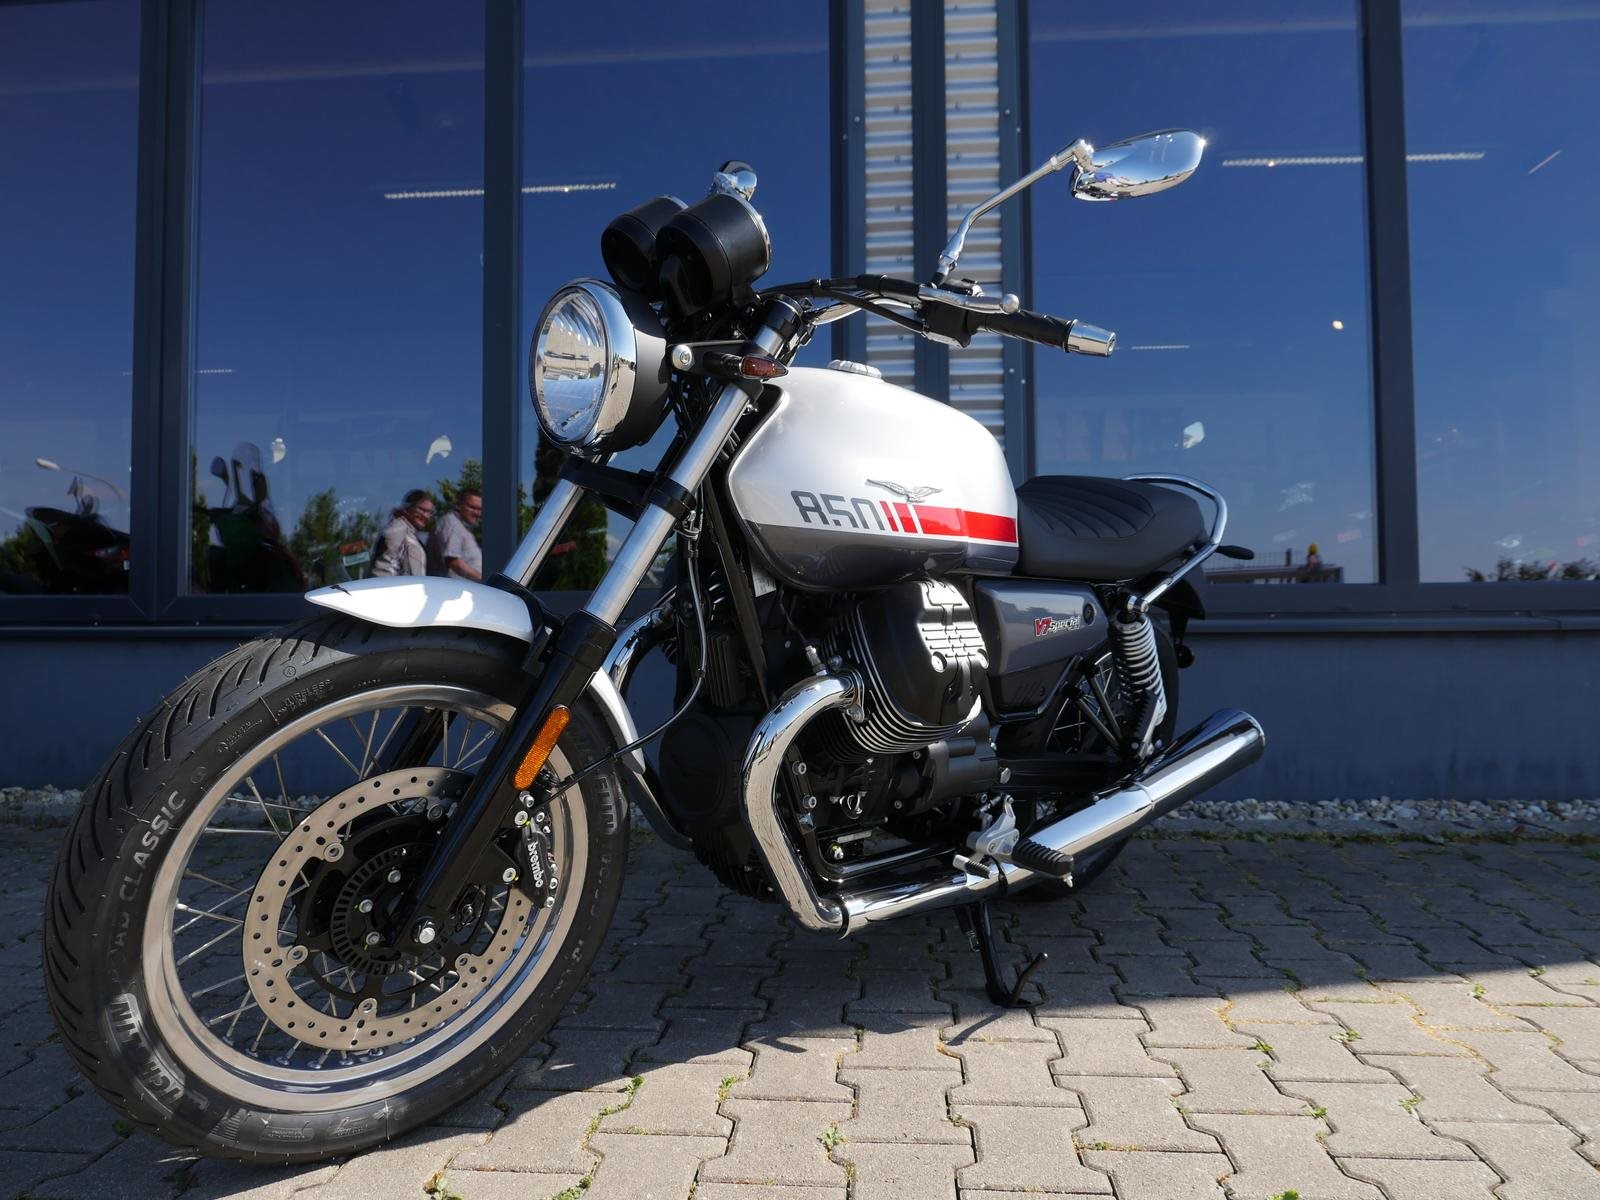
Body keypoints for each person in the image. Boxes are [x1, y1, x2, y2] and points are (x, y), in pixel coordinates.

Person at [371, 488, 435, 577]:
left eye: (429, 512)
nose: (426, 516)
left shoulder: (411, 533)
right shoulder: (397, 530)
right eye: (421, 510)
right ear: (409, 507)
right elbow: (383, 570)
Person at [427, 487, 483, 581]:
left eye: (479, 509)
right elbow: (453, 561)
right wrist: (482, 579)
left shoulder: (461, 526)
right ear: (459, 505)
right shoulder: (452, 524)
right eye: (472, 507)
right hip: (451, 588)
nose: (477, 513)